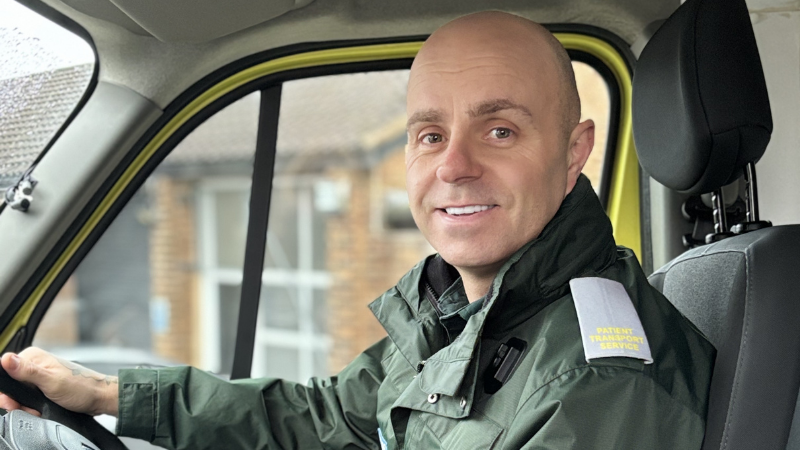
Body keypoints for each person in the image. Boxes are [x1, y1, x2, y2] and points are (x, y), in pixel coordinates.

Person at [0, 11, 714, 449]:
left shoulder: (597, 381)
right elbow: (327, 419)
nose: (455, 166)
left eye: (499, 130)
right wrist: (102, 394)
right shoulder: (468, 316)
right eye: (429, 135)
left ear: (573, 152)